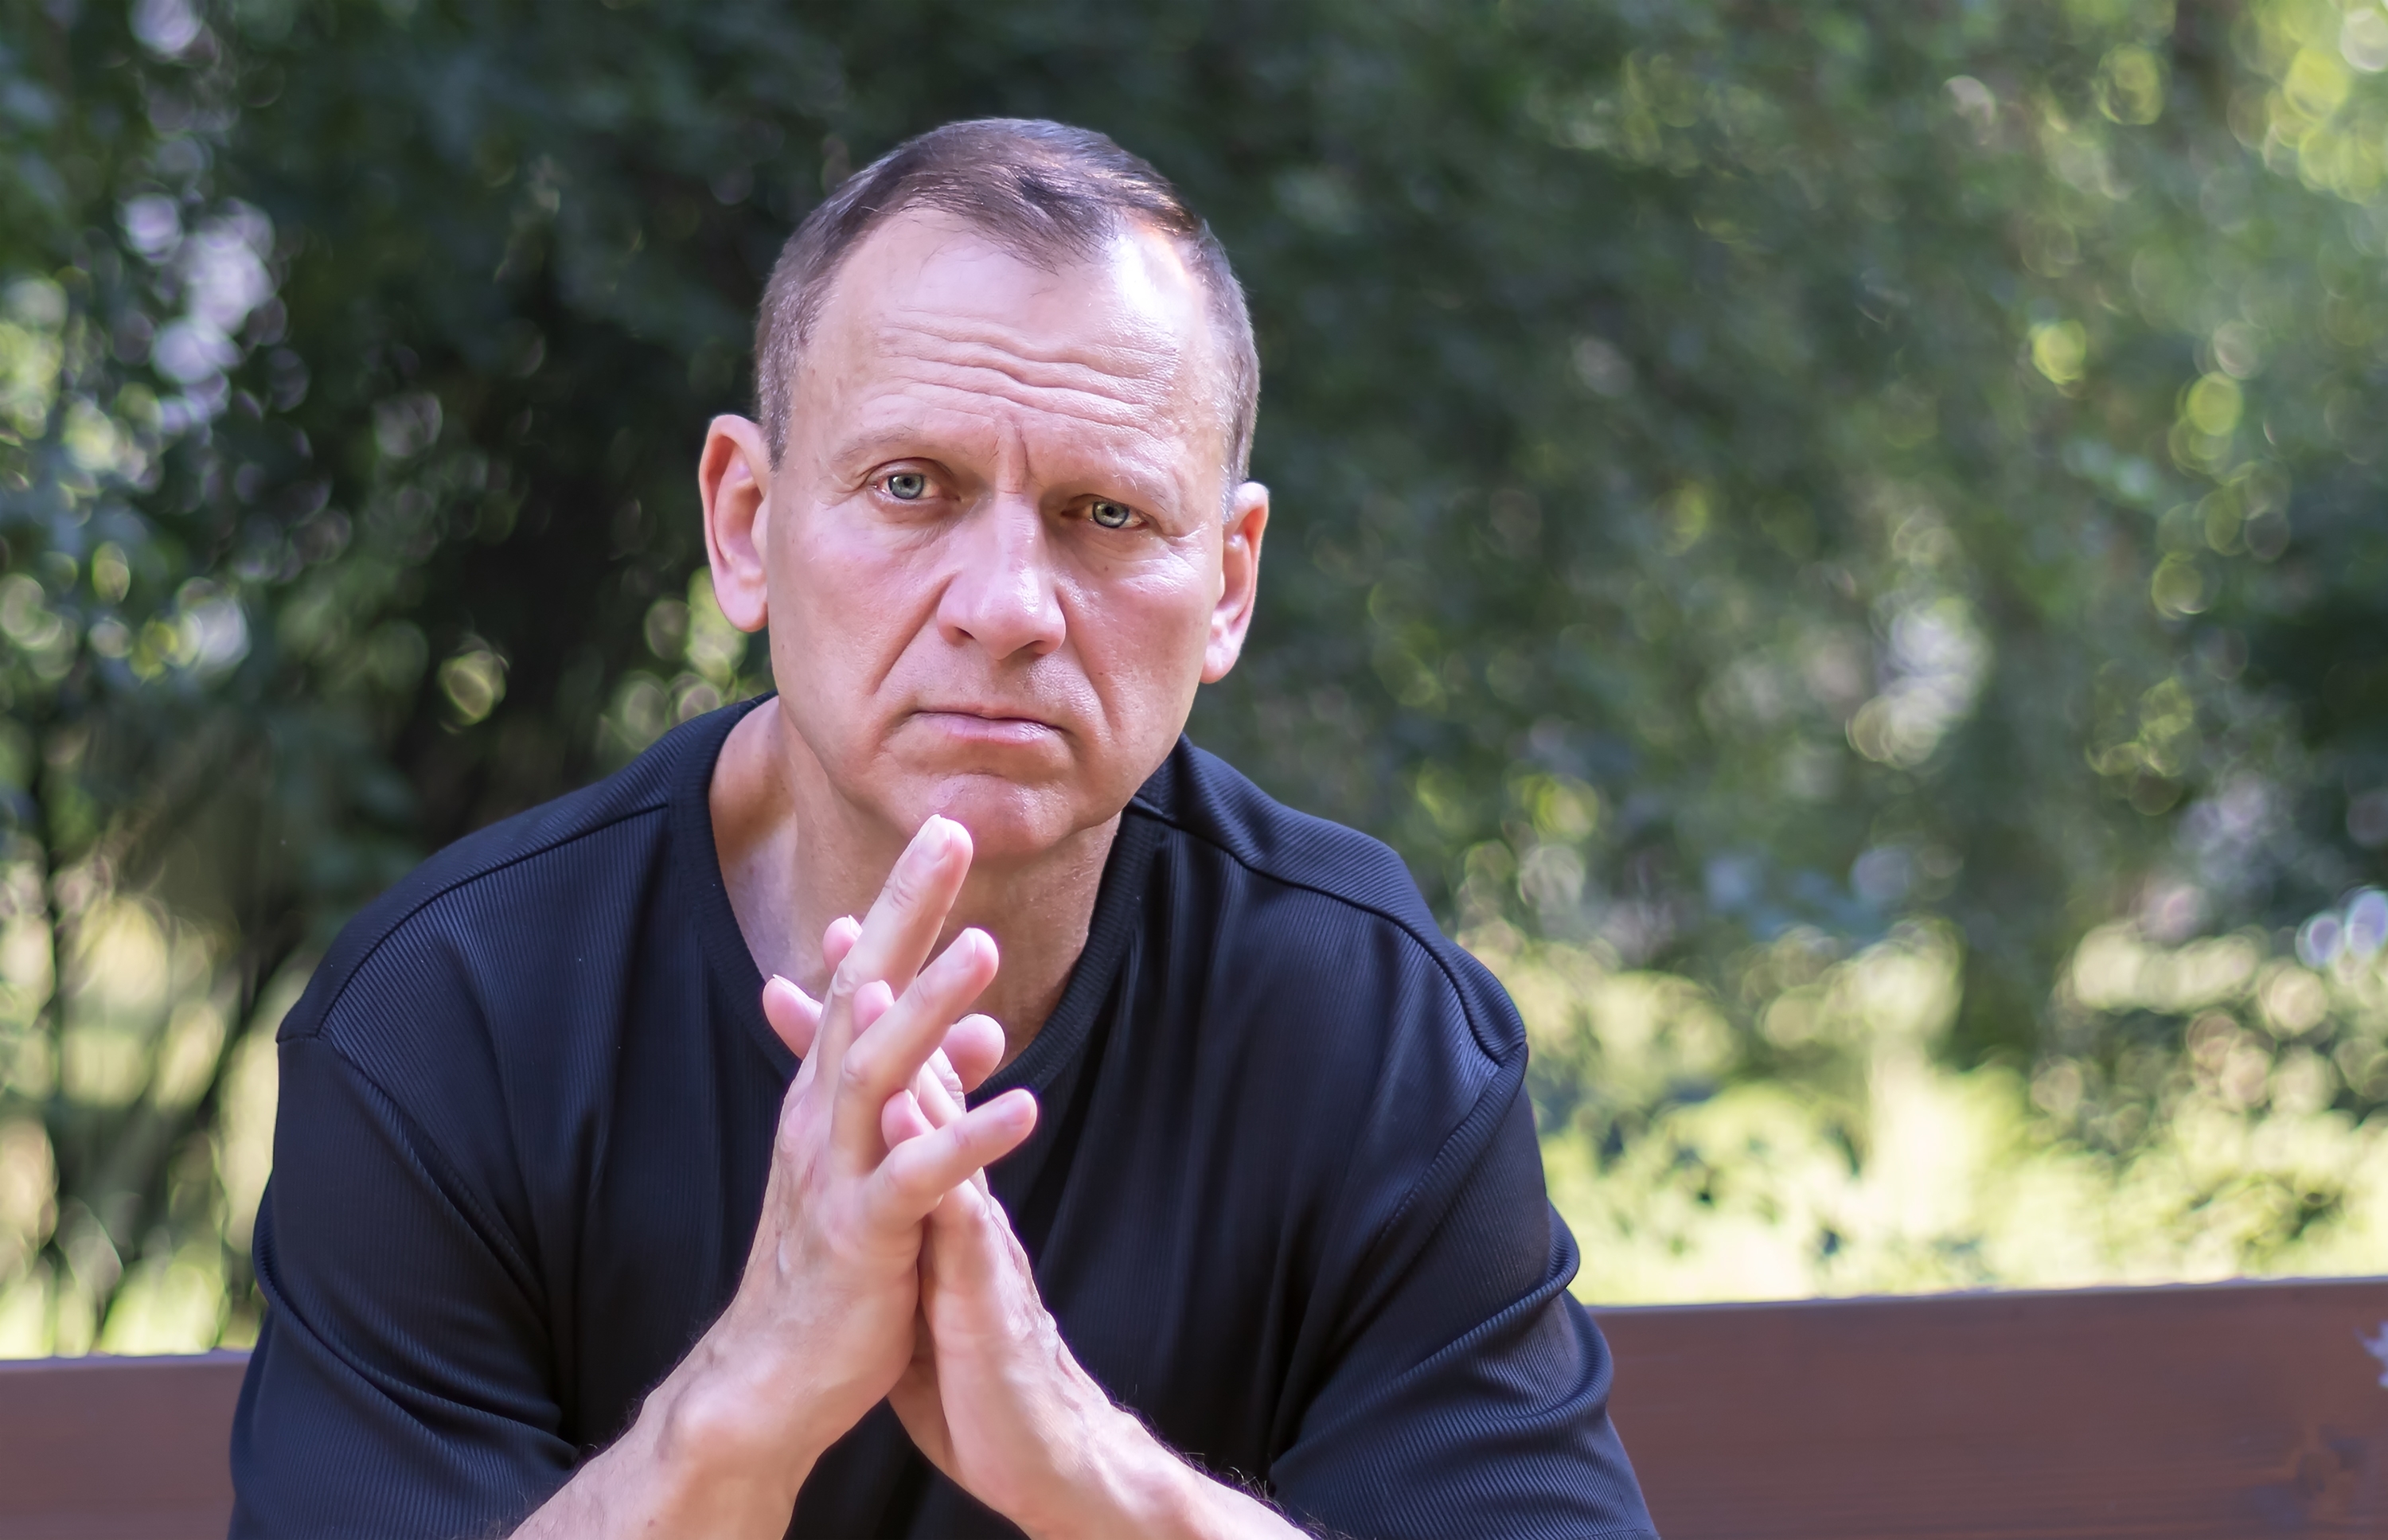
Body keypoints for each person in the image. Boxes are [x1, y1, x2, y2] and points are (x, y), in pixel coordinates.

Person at [228, 119, 1656, 1540]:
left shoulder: (1368, 1022)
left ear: (1227, 583)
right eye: (912, 487)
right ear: (744, 522)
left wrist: (1092, 1478)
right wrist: (741, 1408)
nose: (1009, 604)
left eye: (1106, 513)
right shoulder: (449, 1015)